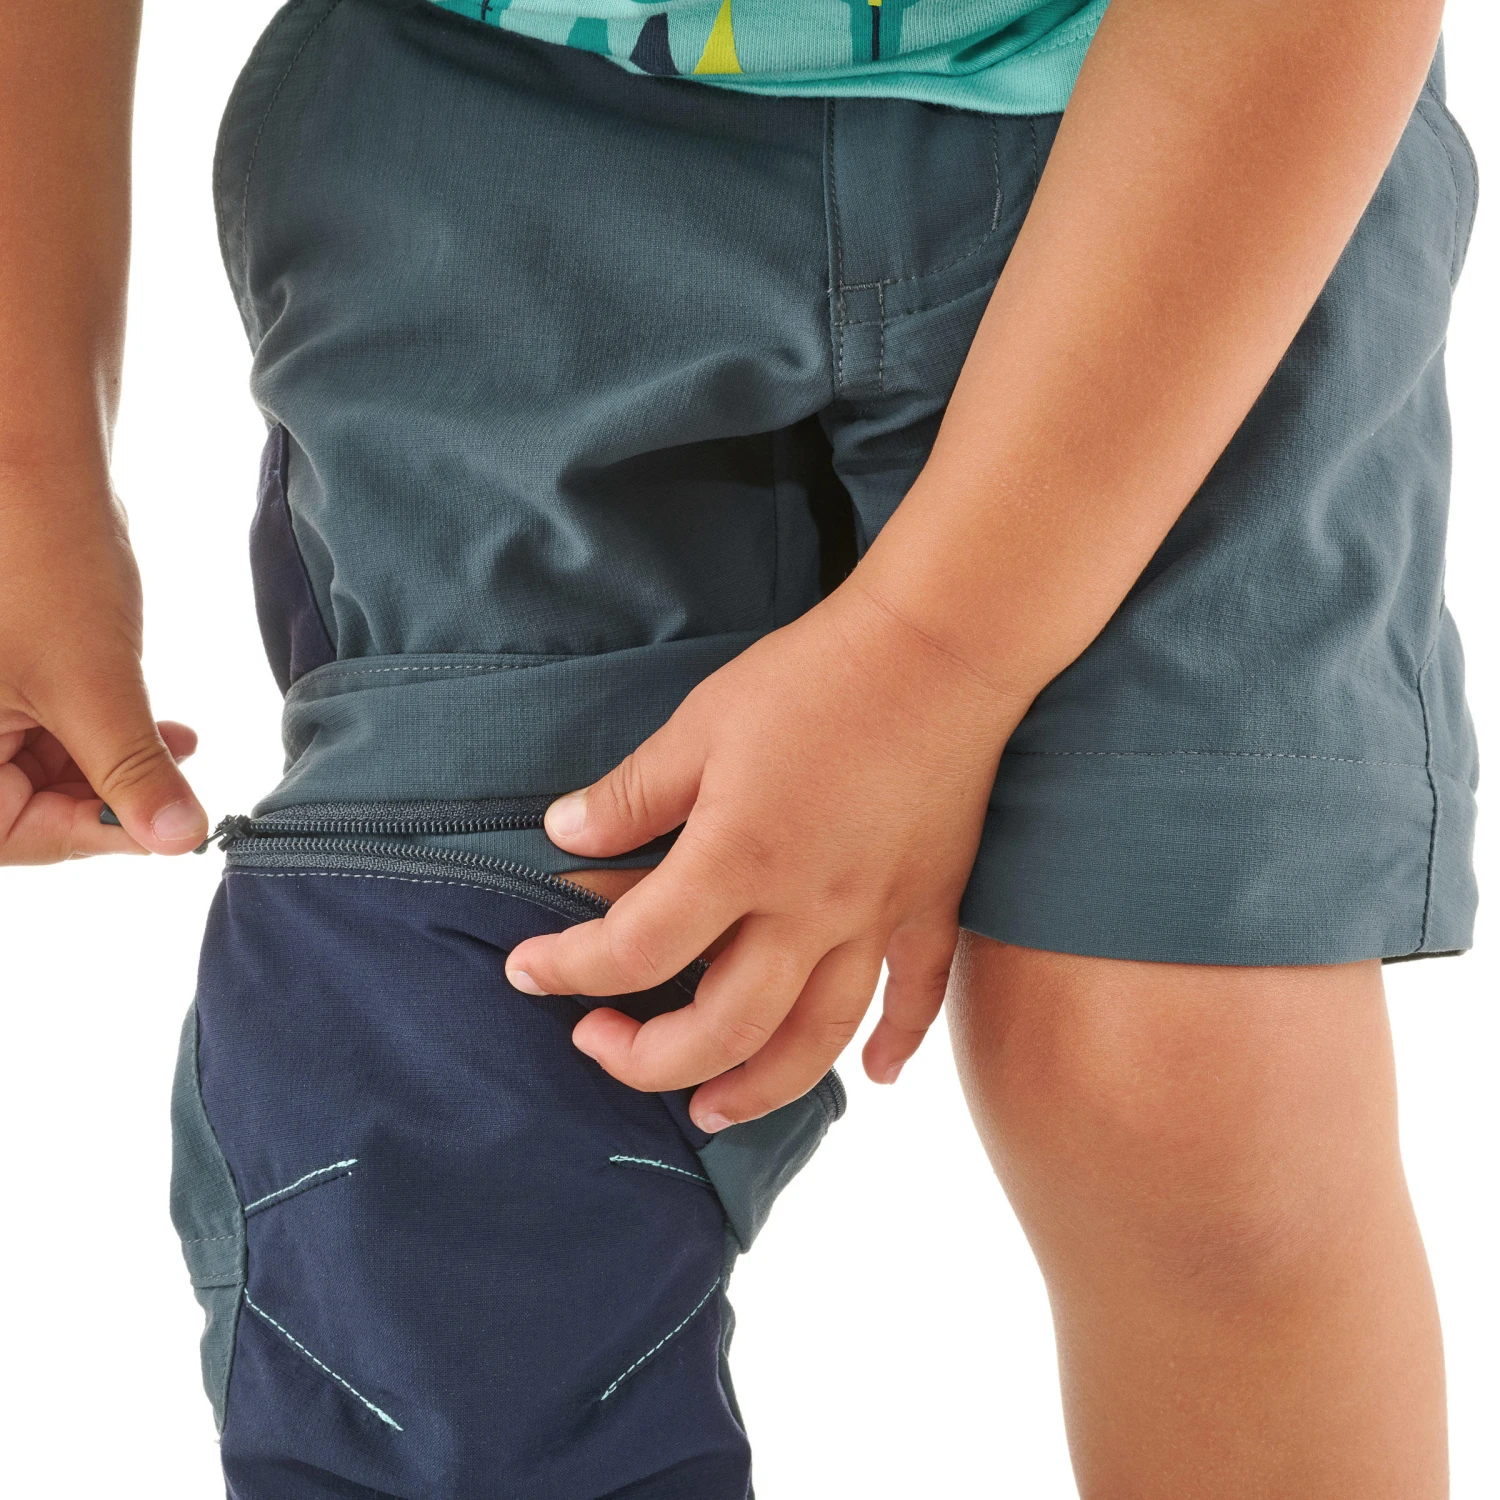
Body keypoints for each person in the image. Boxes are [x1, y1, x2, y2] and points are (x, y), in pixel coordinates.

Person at [0, 0, 1476, 1495]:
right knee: (430, 1138)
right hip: (476, 149)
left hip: (1194, 135)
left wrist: (932, 661)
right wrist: (24, 456)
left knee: (1177, 1097)